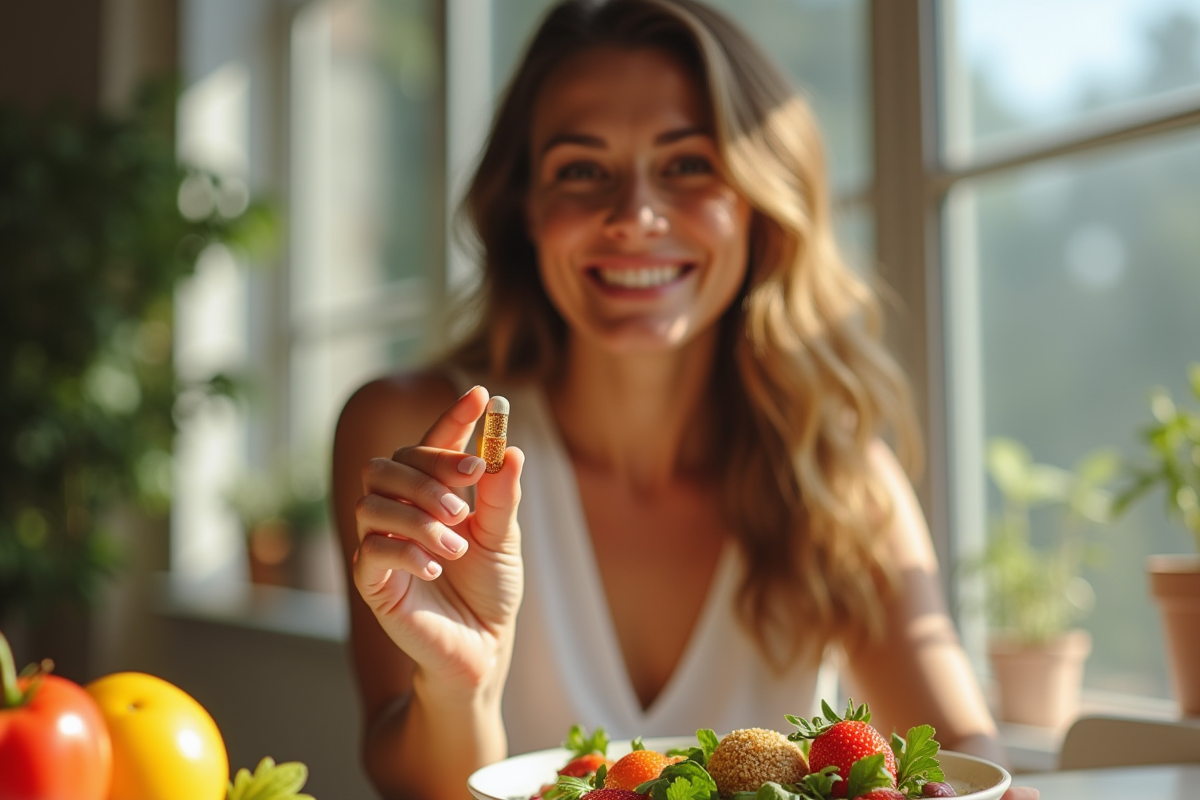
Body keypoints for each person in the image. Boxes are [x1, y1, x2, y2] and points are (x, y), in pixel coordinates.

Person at [331, 2, 1038, 799]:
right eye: (582, 170)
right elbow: (410, 787)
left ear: (758, 204)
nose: (634, 216)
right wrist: (463, 686)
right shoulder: (419, 442)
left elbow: (966, 769)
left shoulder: (836, 475)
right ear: (525, 209)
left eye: (689, 164)